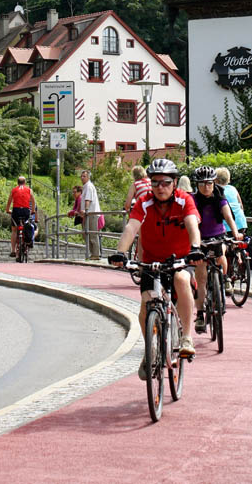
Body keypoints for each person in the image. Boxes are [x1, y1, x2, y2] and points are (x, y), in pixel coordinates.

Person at [109, 158, 203, 378]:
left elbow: (192, 224)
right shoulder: (144, 201)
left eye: (166, 182)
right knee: (145, 305)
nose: (161, 187)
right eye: (156, 182)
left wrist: (196, 248)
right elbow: (131, 228)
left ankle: (187, 337)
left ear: (175, 182)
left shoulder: (184, 200)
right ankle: (150, 350)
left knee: (181, 281)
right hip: (151, 261)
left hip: (179, 259)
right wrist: (121, 253)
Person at [192, 165, 242, 333]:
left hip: (218, 235)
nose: (206, 187)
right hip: (200, 239)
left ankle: (226, 278)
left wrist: (235, 233)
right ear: (197, 185)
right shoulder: (194, 200)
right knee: (201, 280)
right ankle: (199, 315)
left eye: (210, 183)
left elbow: (228, 216)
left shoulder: (219, 198)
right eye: (202, 183)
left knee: (221, 253)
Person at [6, 176, 36, 257]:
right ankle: (26, 243)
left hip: (16, 211)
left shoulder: (13, 190)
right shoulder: (29, 190)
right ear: (25, 182)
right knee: (26, 226)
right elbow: (33, 201)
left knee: (14, 230)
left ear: (17, 182)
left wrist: (7, 210)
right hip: (26, 211)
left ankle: (13, 250)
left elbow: (9, 201)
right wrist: (33, 210)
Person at [215, 167, 247, 234]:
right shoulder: (233, 188)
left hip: (226, 226)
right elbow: (241, 206)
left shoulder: (216, 191)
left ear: (216, 179)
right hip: (241, 223)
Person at [80, 170, 101, 260]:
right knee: (86, 233)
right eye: (81, 176)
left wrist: (86, 210)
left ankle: (95, 254)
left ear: (88, 177)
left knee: (92, 234)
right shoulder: (86, 186)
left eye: (84, 176)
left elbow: (88, 200)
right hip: (90, 213)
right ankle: (93, 253)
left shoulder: (88, 186)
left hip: (91, 213)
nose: (82, 178)